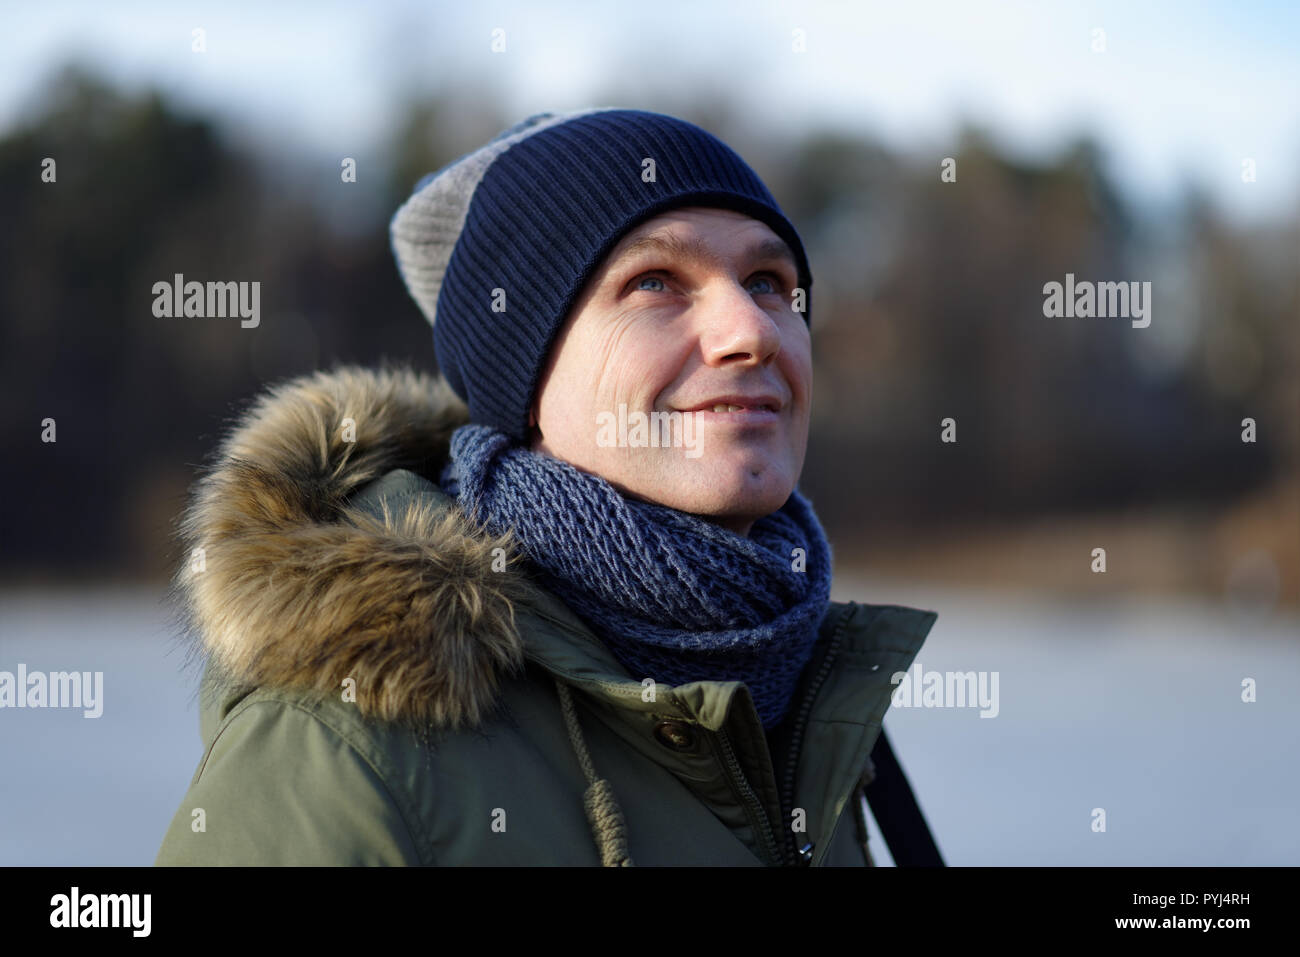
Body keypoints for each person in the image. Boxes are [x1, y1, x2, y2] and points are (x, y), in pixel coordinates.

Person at [155, 107, 938, 866]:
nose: (754, 329)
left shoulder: (809, 706)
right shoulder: (346, 756)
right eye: (655, 282)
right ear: (521, 383)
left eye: (769, 281)